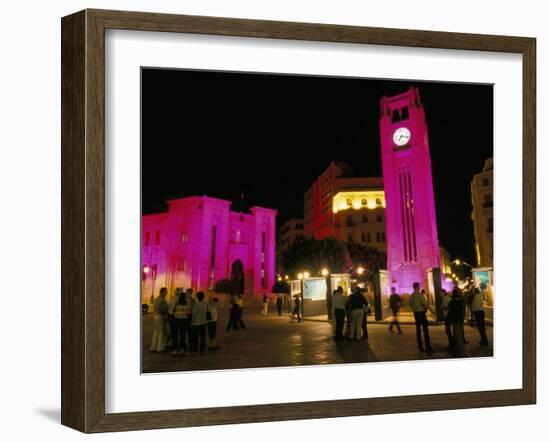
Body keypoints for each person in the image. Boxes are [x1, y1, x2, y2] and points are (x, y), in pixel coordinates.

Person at [409, 282, 434, 353]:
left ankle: (420, 347)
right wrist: (431, 311)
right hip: (422, 314)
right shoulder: (420, 295)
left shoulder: (411, 296)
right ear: (417, 287)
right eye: (419, 286)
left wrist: (415, 309)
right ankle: (428, 348)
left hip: (416, 314)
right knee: (425, 331)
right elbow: (425, 304)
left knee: (418, 330)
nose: (419, 287)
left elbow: (410, 304)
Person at [447, 289, 466, 357]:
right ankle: (457, 350)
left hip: (454, 320)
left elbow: (449, 310)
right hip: (460, 320)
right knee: (459, 335)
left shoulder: (451, 302)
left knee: (457, 336)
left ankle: (461, 352)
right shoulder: (460, 302)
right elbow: (462, 310)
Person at [150, 287, 169, 352]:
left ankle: (153, 347)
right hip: (160, 316)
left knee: (156, 332)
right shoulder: (162, 300)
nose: (166, 293)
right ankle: (160, 348)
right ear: (162, 292)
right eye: (165, 292)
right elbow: (163, 309)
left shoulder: (156, 299)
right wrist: (167, 312)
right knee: (162, 332)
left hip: (155, 316)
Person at [171, 290, 189, 356]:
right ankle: (182, 350)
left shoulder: (176, 302)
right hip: (183, 320)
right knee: (182, 335)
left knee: (175, 335)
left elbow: (171, 311)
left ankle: (174, 350)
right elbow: (188, 312)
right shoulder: (187, 303)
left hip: (176, 320)